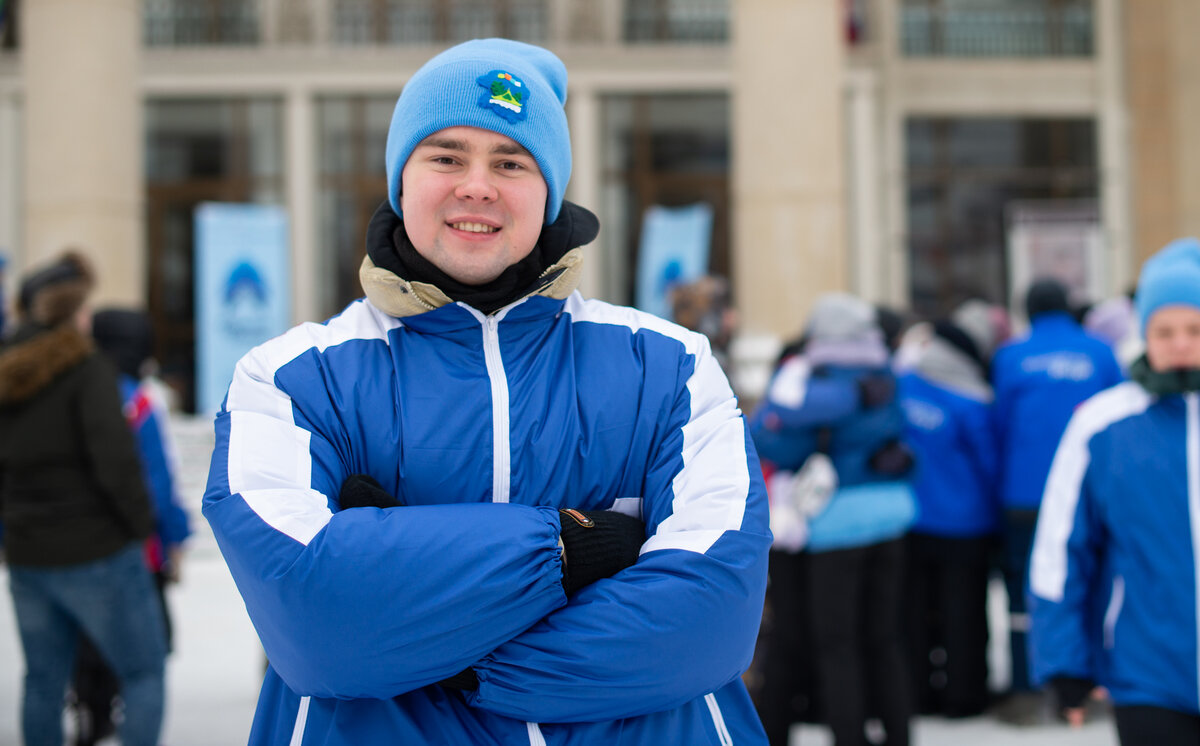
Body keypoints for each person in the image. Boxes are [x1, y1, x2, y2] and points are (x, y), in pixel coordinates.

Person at [202, 38, 771, 745]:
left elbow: (709, 618)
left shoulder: (670, 365)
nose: (478, 185)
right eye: (446, 156)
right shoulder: (290, 378)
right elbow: (315, 620)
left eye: (511, 162)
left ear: (549, 190)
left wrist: (419, 618)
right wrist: (570, 550)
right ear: (401, 181)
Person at [1029, 237, 1200, 745]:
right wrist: (1065, 664)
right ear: (1143, 332)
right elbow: (1061, 550)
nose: (1180, 342)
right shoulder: (1103, 424)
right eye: (1163, 329)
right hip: (1149, 676)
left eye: (1194, 328)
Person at [0, 251, 167, 746]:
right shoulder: (87, 369)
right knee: (143, 672)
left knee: (42, 682)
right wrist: (143, 529)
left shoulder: (6, 375)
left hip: (29, 555)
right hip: (97, 552)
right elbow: (117, 463)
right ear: (75, 315)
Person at [750, 292, 917, 746]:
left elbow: (774, 438)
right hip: (892, 516)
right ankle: (900, 735)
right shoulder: (885, 373)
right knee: (884, 638)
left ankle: (850, 736)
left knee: (836, 644)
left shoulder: (813, 377)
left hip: (836, 524)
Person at [990, 277, 1122, 711]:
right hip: (1092, 493)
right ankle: (1093, 684)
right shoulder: (1100, 352)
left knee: (1024, 591)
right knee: (1091, 583)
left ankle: (1028, 691)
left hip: (1025, 494)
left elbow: (1000, 427)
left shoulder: (1010, 357)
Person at [66, 307, 191, 746]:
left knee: (87, 644)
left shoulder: (74, 395)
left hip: (77, 548)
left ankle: (91, 713)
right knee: (145, 658)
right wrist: (175, 537)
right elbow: (158, 480)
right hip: (136, 551)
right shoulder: (138, 402)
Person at [898, 319, 999, 718]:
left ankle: (918, 691)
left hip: (913, 519)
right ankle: (964, 695)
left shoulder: (904, 383)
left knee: (914, 613)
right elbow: (989, 463)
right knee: (965, 614)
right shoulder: (973, 401)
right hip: (965, 523)